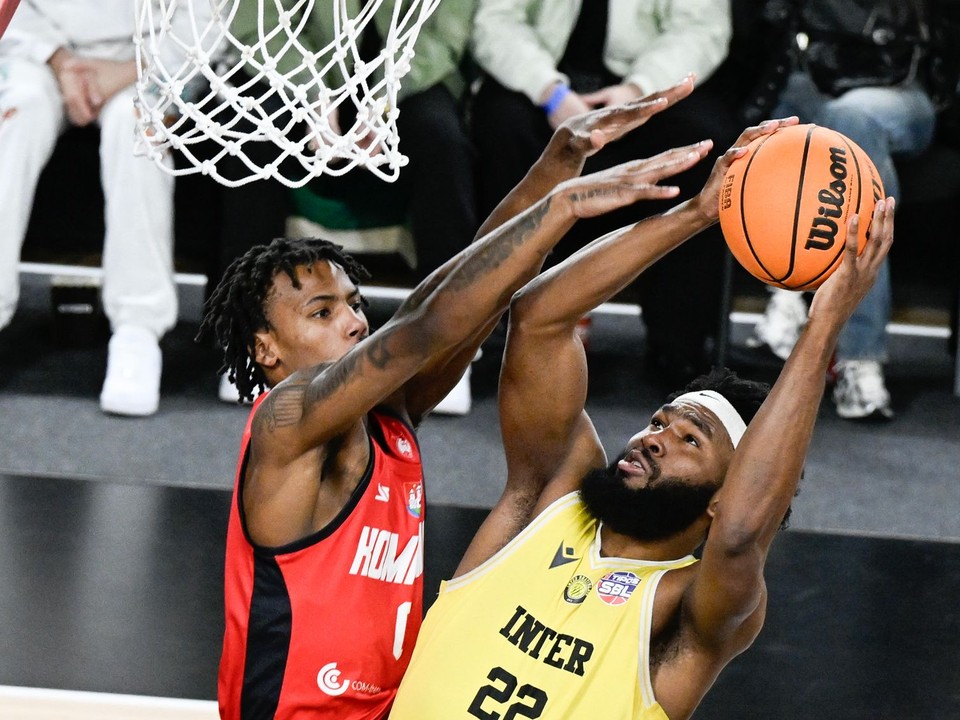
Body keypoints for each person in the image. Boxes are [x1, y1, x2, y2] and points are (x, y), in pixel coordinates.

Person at [201, 78, 713, 719]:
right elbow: (423, 324)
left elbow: (472, 292)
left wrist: (555, 166)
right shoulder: (286, 421)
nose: (354, 322)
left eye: (356, 305)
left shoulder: (387, 416)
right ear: (267, 349)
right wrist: (558, 210)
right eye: (321, 311)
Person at [389, 117, 895, 718]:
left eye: (690, 439)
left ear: (721, 495)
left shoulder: (686, 611)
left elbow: (738, 535)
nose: (656, 438)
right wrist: (701, 214)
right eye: (660, 421)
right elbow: (540, 319)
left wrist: (824, 327)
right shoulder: (547, 501)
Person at [212, 0, 481, 407]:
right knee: (253, 140)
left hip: (409, 80)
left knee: (443, 142)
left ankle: (447, 344)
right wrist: (313, 95)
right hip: (294, 72)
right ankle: (249, 339)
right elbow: (259, 23)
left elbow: (442, 36)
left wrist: (384, 102)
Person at [469, 0, 741, 385]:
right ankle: (497, 326)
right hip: (542, 89)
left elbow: (702, 28)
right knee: (500, 125)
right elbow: (495, 21)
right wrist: (550, 91)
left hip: (646, 91)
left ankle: (679, 345)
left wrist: (640, 92)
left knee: (704, 142)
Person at [746, 0, 938, 421]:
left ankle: (798, 289)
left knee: (849, 120)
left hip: (900, 87)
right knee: (799, 118)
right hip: (808, 80)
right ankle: (851, 350)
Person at [0, 0, 192, 416]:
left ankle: (137, 331)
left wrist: (122, 73)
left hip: (158, 56)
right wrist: (60, 61)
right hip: (42, 53)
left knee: (134, 126)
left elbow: (207, 19)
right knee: (17, 112)